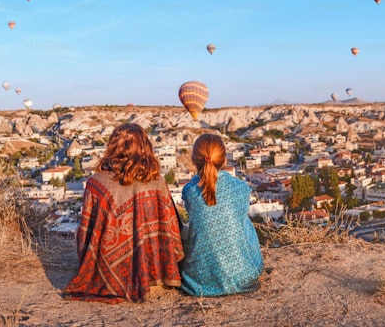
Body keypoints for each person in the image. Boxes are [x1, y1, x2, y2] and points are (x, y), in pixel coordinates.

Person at [63, 123, 184, 303]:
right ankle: (153, 276)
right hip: (157, 276)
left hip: (110, 275)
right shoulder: (157, 181)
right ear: (145, 147)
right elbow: (172, 227)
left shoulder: (96, 183)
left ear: (112, 146)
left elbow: (87, 233)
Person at [180, 133, 263, 297]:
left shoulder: (189, 191)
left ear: (194, 160)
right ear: (224, 160)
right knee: (245, 223)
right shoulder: (241, 188)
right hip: (244, 273)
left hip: (200, 280)